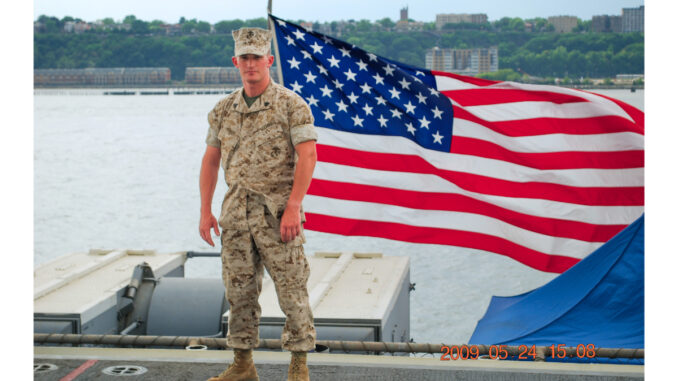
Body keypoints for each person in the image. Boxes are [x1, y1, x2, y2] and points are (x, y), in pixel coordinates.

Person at [199, 27, 317, 381]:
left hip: (278, 215)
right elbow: (210, 161)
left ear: (269, 60)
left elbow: (308, 155)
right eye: (244, 58)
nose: (251, 64)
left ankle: (298, 366)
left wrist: (294, 206)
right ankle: (242, 364)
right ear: (236, 62)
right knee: (239, 291)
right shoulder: (223, 110)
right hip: (235, 215)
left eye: (257, 57)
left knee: (292, 289)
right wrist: (205, 210)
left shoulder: (291, 105)